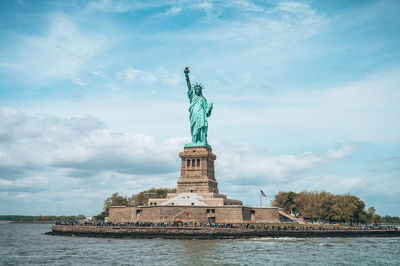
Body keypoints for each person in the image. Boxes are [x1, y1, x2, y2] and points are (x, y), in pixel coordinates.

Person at [184, 66, 213, 146]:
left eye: (199, 89)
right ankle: (194, 141)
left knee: (202, 127)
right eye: (196, 89)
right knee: (194, 127)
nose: (198, 90)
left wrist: (209, 108)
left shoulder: (203, 99)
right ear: (194, 90)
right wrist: (186, 75)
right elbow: (188, 85)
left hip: (201, 115)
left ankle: (202, 141)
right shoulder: (192, 96)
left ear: (200, 91)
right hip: (194, 114)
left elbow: (207, 111)